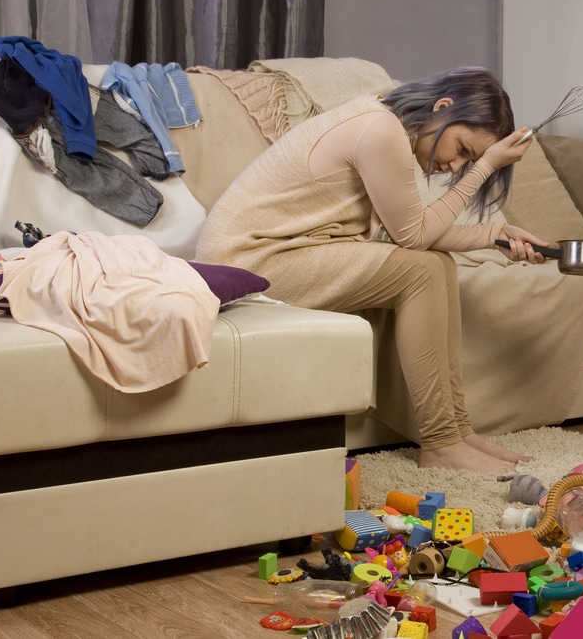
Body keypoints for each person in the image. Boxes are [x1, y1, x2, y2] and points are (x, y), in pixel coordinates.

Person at [196, 66, 548, 473]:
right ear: (443, 107)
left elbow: (411, 234)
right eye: (464, 150)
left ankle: (455, 430)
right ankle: (440, 444)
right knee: (422, 271)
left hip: (279, 252)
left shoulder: (383, 123)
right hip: (249, 260)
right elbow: (413, 237)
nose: (456, 167)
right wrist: (485, 167)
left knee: (438, 265)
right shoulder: (380, 130)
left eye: (468, 160)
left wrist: (497, 234)